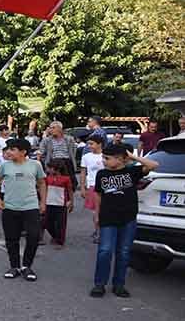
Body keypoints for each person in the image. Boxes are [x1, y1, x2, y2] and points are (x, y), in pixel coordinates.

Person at [90, 145, 159, 298]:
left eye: (107, 158)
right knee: (105, 250)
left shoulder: (132, 171)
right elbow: (98, 195)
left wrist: (132, 157)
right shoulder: (102, 174)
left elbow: (154, 165)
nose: (104, 161)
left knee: (124, 252)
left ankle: (119, 284)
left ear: (120, 159)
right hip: (108, 217)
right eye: (103, 157)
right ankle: (99, 284)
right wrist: (96, 214)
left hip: (128, 218)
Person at [0, 139, 46, 281]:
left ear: (23, 152)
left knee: (33, 236)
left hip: (31, 207)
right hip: (10, 208)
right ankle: (14, 266)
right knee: (11, 238)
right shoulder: (5, 166)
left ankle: (27, 266)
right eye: (8, 149)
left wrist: (43, 202)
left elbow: (42, 183)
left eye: (13, 149)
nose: (8, 152)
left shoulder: (36, 165)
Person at [38, 121, 79, 190]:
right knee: (53, 185)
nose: (51, 130)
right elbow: (42, 152)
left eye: (53, 128)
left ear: (60, 129)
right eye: (50, 128)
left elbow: (73, 151)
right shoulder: (46, 140)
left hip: (66, 163)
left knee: (70, 185)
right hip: (53, 163)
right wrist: (47, 162)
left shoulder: (69, 139)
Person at [42, 160, 74, 247]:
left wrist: (71, 202)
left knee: (61, 224)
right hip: (49, 203)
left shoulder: (66, 179)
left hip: (61, 204)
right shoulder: (47, 178)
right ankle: (55, 236)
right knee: (47, 223)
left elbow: (70, 191)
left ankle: (60, 241)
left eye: (49, 168)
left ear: (56, 169)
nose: (47, 169)